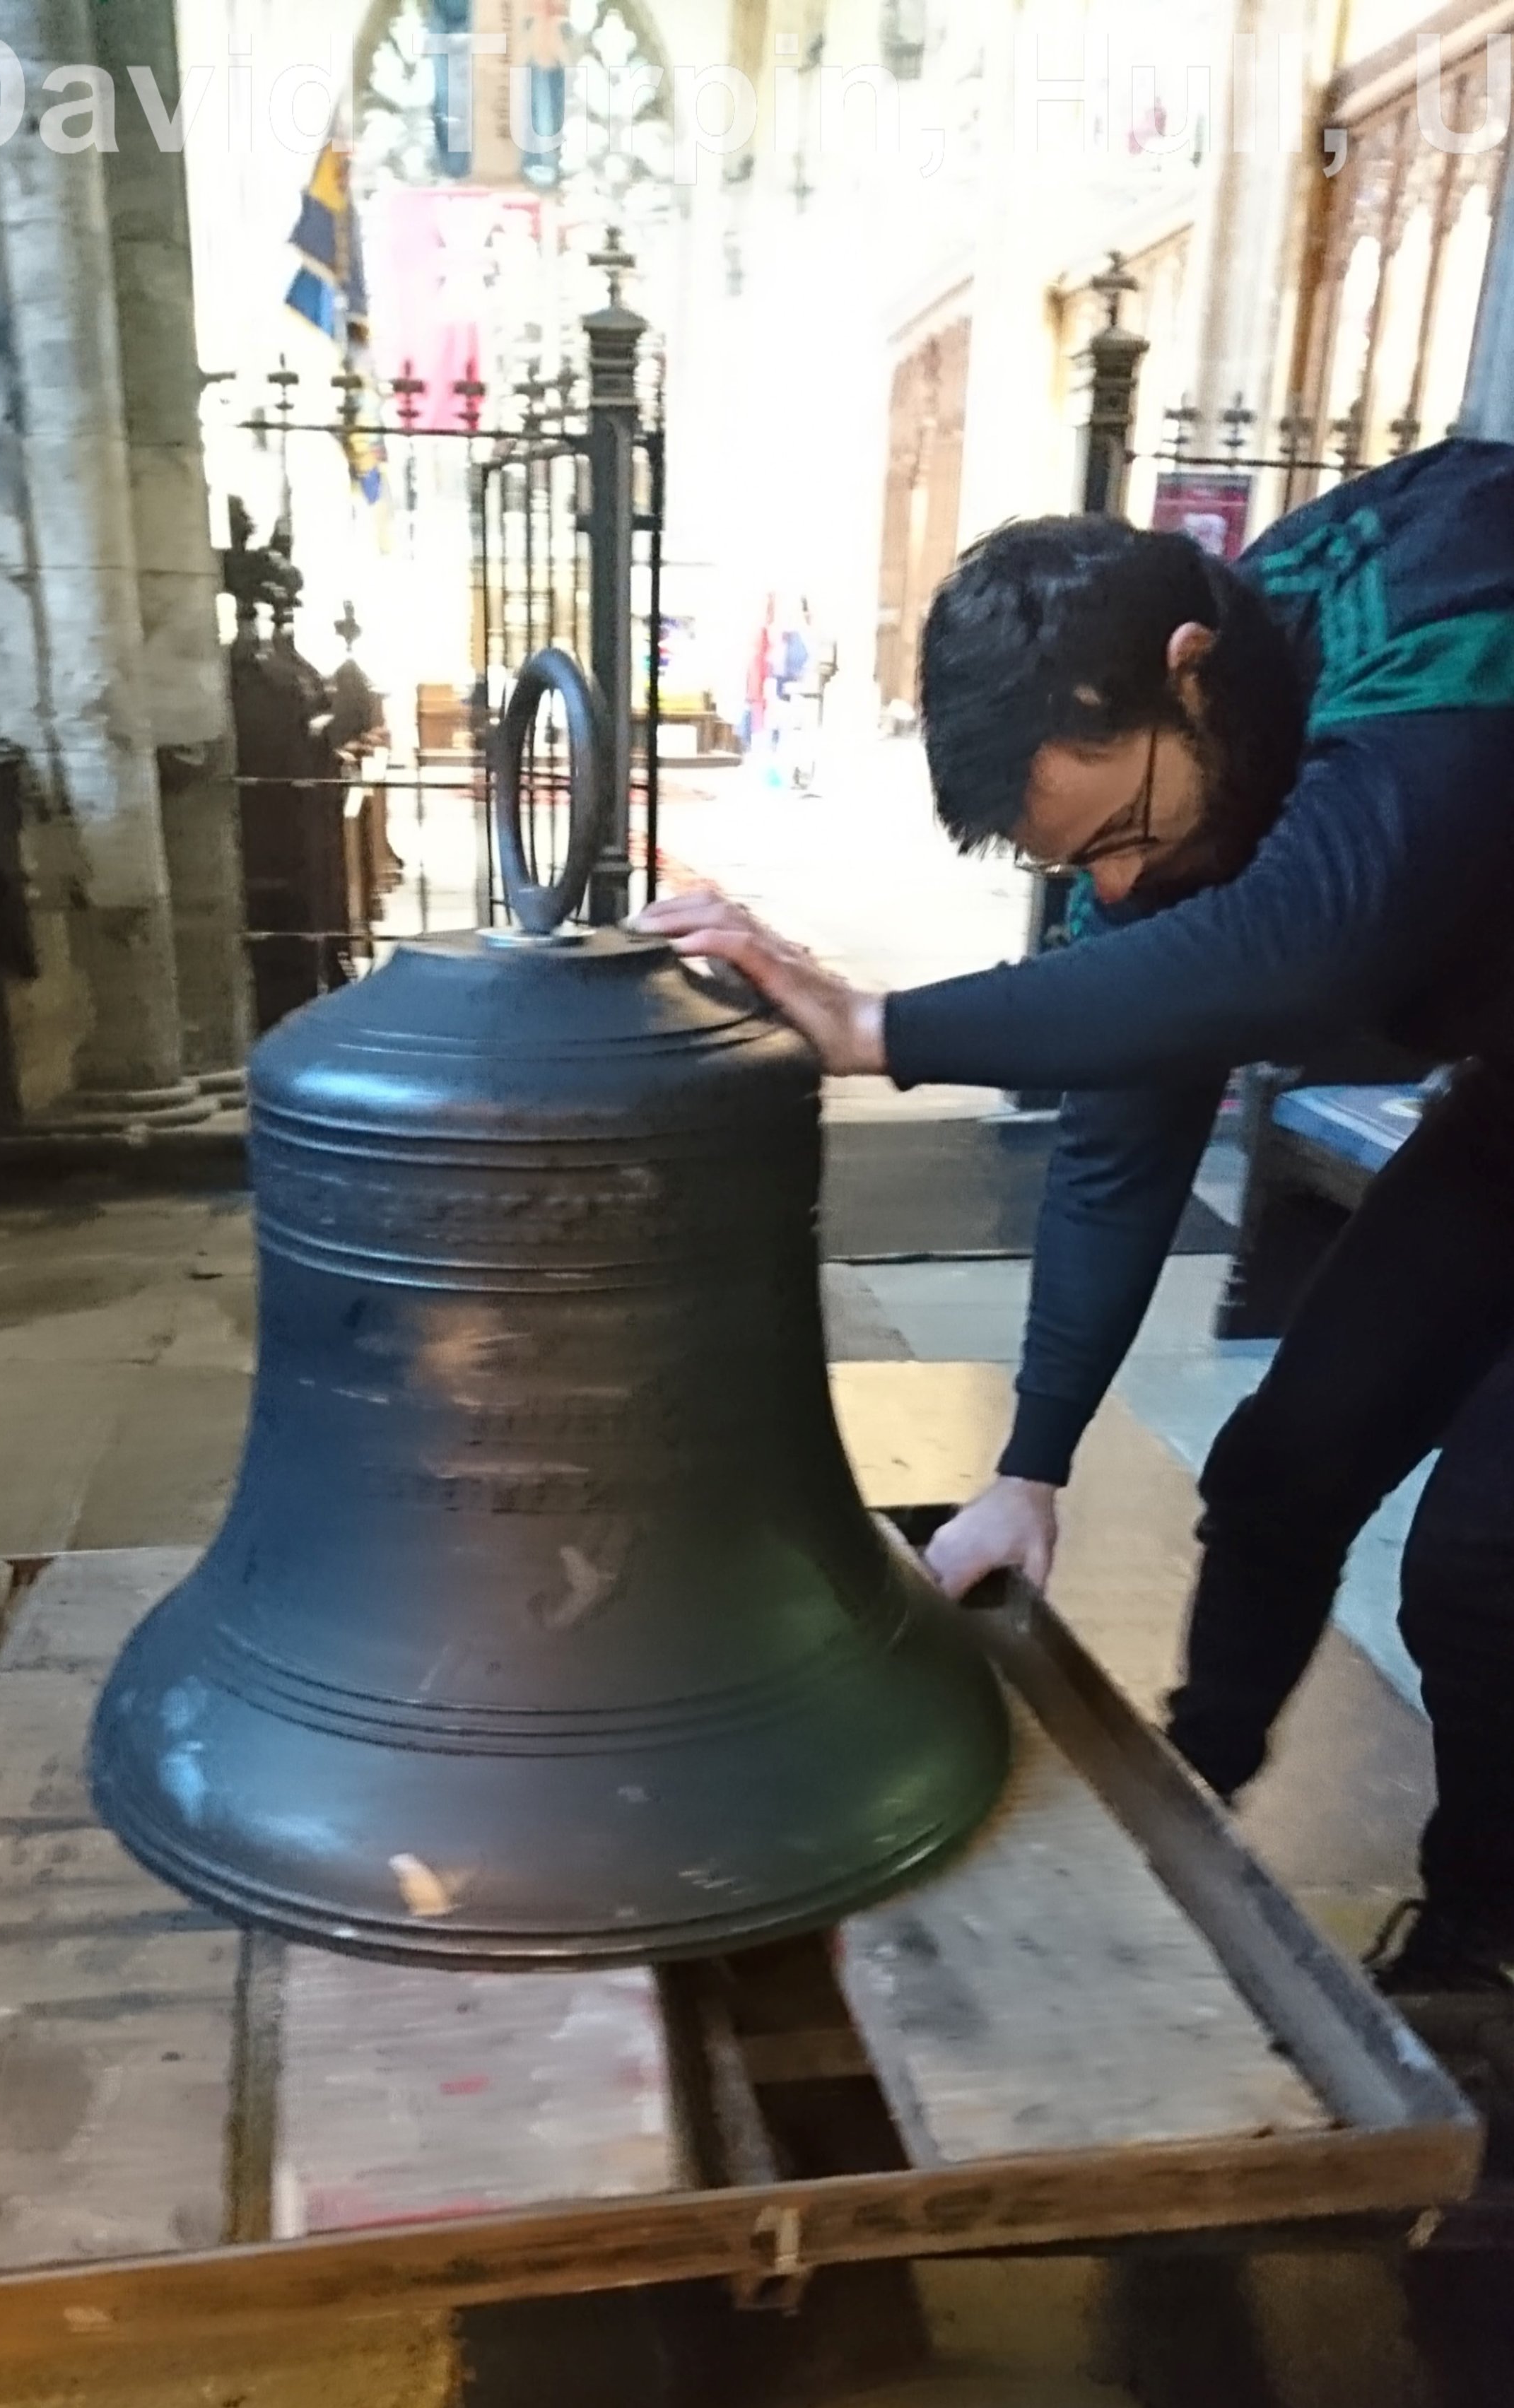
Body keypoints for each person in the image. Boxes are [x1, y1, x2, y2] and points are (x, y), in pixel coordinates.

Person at [635, 439, 1514, 2044]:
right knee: (1278, 1468)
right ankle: (1195, 1819)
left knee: (1482, 1562)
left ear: (1184, 678)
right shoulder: (1189, 768)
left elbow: (1315, 940)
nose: (1116, 885)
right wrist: (1026, 1467)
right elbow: (1118, 1143)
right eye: (1075, 865)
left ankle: (1485, 1942)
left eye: (1121, 830)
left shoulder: (1456, 585)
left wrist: (879, 1026)